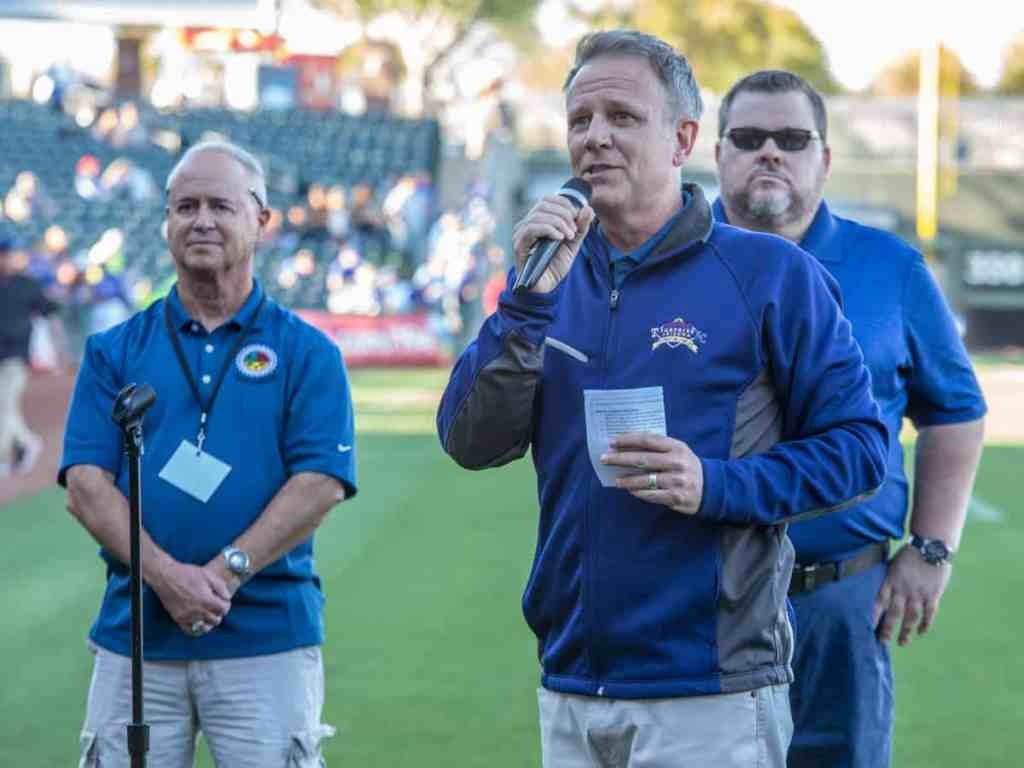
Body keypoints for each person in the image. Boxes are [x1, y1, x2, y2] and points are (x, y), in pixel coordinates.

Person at [436, 30, 888, 768]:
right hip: (573, 681)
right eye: (581, 121)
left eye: (621, 117)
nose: (595, 138)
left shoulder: (770, 274)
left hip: (710, 689)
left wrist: (715, 483)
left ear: (682, 138)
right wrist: (522, 306)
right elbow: (468, 440)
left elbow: (860, 449)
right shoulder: (545, 279)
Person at [713, 69, 987, 768]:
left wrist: (932, 550)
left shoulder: (888, 268)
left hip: (840, 598)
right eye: (748, 138)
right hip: (696, 598)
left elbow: (955, 410)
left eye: (792, 139)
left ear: (825, 159)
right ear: (716, 154)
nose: (769, 152)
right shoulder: (671, 260)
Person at [60, 140, 358, 766]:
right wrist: (170, 579)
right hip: (137, 639)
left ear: (262, 220)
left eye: (220, 205)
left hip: (266, 637)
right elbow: (87, 484)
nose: (201, 220)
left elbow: (321, 481)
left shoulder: (308, 353)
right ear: (165, 221)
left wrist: (222, 575)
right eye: (184, 206)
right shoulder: (115, 348)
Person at [0, 236, 64, 476]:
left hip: (16, 356)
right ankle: (27, 441)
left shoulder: (25, 284)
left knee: (6, 405)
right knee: (5, 407)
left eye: (5, 254)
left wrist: (59, 349)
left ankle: (4, 459)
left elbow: (50, 310)